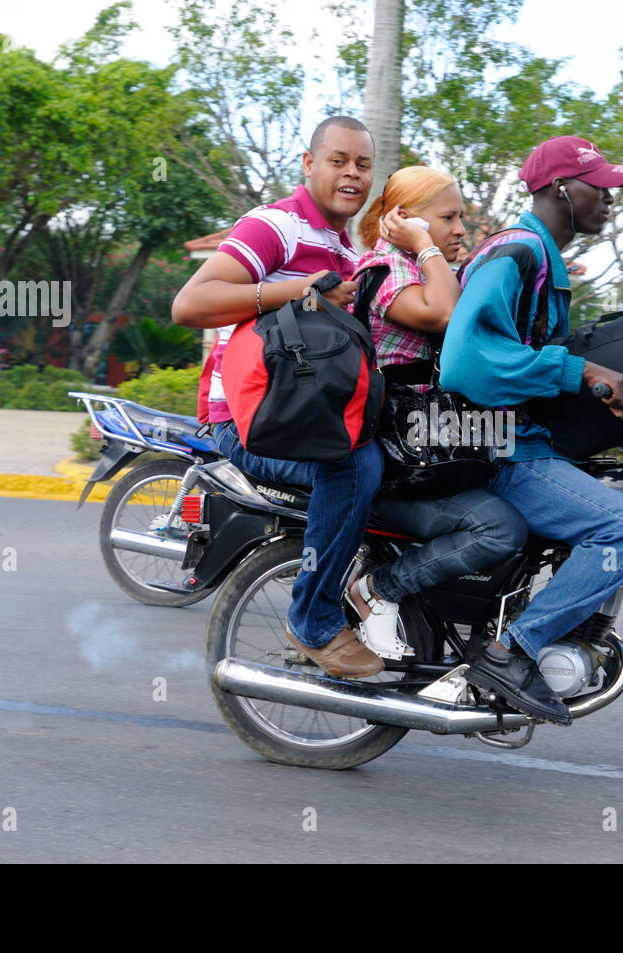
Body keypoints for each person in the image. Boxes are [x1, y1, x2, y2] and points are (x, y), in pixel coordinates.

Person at [439, 135, 623, 727]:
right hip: (491, 446)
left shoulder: (541, 259)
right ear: (560, 188)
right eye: (600, 186)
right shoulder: (516, 254)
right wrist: (580, 370)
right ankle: (512, 650)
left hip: (514, 439)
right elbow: (466, 361)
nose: (611, 199)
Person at [172, 115, 386, 679]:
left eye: (363, 165)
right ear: (309, 164)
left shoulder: (341, 246)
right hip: (246, 422)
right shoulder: (277, 226)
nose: (351, 174)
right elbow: (191, 305)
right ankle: (313, 620)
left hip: (298, 415)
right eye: (338, 160)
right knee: (353, 467)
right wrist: (300, 291)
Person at [346, 165, 528, 655]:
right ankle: (378, 588)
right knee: (500, 527)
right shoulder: (386, 273)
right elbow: (448, 315)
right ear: (405, 219)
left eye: (461, 217)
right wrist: (424, 245)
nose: (460, 229)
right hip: (396, 464)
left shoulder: (415, 270)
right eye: (447, 217)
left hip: (421, 450)